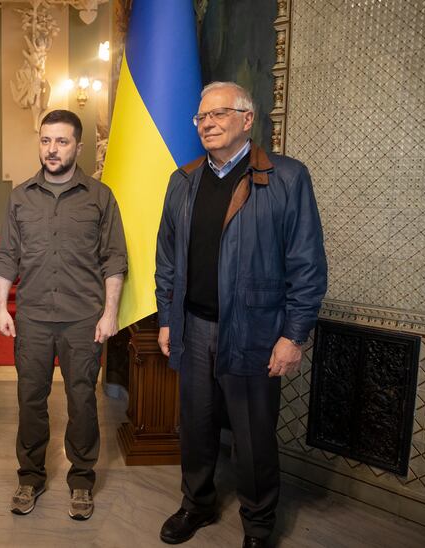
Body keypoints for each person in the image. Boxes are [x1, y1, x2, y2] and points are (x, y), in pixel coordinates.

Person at [154, 82, 327, 547]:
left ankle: (258, 524)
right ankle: (196, 504)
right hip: (193, 328)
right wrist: (168, 318)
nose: (207, 123)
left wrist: (294, 335)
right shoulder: (183, 180)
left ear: (247, 120)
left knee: (252, 439)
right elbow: (167, 257)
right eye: (200, 117)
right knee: (195, 428)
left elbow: (307, 265)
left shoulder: (287, 177)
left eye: (218, 114)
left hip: (255, 332)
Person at [0, 110, 127, 521]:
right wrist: (1, 307)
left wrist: (109, 314)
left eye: (62, 141)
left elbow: (114, 258)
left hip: (83, 319)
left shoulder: (100, 197)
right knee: (30, 400)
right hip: (32, 318)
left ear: (78, 147)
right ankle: (30, 477)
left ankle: (81, 480)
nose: (52, 149)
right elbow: (7, 256)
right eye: (46, 140)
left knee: (82, 400)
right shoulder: (20, 197)